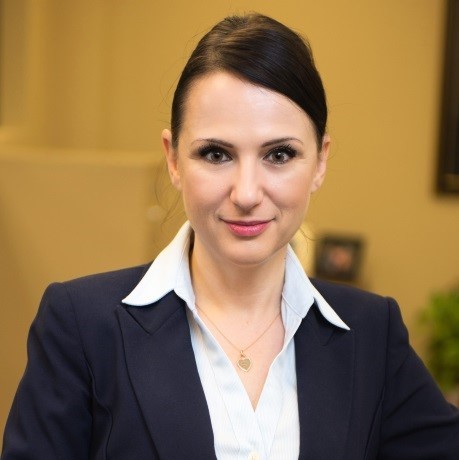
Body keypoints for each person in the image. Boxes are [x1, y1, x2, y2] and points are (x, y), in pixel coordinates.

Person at [2, 13, 458, 460]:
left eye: (280, 154)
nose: (246, 194)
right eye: (216, 154)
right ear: (173, 159)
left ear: (320, 161)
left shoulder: (371, 331)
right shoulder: (81, 325)